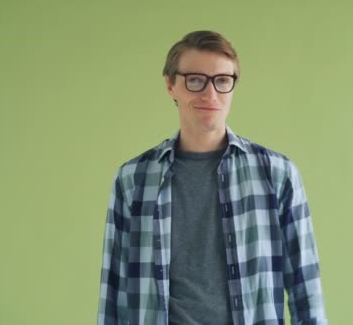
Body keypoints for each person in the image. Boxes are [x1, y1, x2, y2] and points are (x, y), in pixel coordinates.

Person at [98, 30, 327, 325]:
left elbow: (305, 286)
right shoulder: (134, 179)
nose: (210, 94)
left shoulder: (277, 174)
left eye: (222, 81)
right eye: (195, 80)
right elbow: (113, 292)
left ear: (233, 86)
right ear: (170, 85)